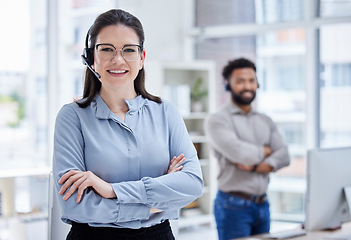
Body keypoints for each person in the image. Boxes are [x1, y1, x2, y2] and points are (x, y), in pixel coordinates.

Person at [52, 9, 203, 240]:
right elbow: (75, 205)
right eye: (107, 49)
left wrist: (112, 190)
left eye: (129, 50)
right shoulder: (72, 117)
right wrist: (158, 200)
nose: (118, 59)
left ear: (141, 59)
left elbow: (192, 184)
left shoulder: (166, 112)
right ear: (91, 57)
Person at [204, 58, 290, 240]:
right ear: (228, 85)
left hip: (263, 204)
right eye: (240, 81)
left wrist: (255, 167)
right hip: (233, 206)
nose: (247, 86)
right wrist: (266, 151)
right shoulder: (217, 120)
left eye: (251, 80)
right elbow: (241, 154)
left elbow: (284, 155)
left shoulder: (265, 120)